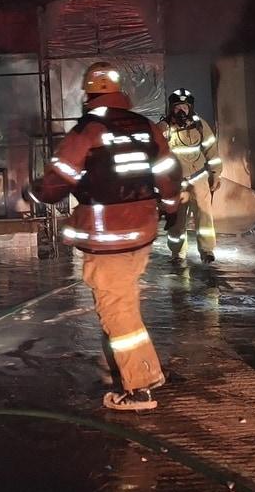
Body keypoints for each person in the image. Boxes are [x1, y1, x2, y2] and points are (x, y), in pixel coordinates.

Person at [26, 61, 180, 410]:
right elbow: (168, 173)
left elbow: (58, 182)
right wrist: (171, 209)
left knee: (116, 310)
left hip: (106, 236)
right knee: (126, 303)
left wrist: (34, 193)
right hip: (142, 231)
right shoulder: (146, 127)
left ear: (90, 93)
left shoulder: (88, 132)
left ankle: (139, 388)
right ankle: (146, 370)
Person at [157, 87, 222, 264]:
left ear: (190, 108)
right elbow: (154, 156)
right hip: (175, 183)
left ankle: (207, 251)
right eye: (177, 107)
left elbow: (212, 151)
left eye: (184, 107)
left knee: (204, 216)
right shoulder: (163, 128)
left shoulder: (200, 125)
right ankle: (177, 254)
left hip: (199, 179)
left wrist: (216, 174)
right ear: (171, 108)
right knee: (177, 220)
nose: (181, 110)